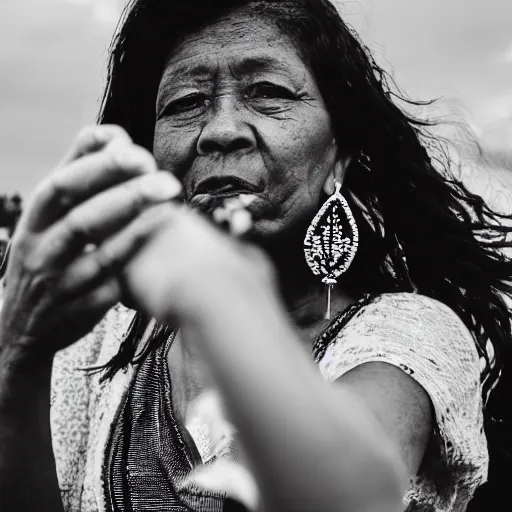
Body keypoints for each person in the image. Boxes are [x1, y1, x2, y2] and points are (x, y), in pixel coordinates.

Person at [0, 0, 511, 511]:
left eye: (267, 92)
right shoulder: (96, 344)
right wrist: (18, 354)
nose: (221, 130)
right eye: (184, 103)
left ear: (338, 158)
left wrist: (221, 296)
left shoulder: (410, 337)